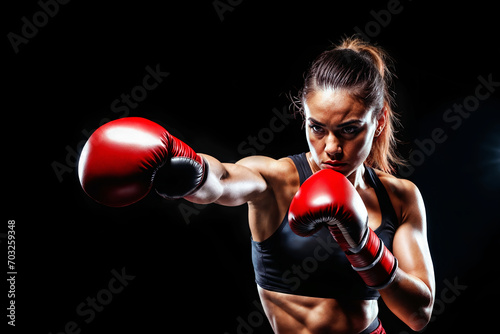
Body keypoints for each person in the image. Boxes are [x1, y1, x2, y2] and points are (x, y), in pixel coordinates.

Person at [78, 37, 435, 333]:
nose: (331, 148)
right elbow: (223, 179)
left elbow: (419, 314)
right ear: (304, 117)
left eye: (349, 129)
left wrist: (364, 246)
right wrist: (188, 169)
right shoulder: (276, 180)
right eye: (317, 128)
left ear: (380, 120)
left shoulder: (400, 198)